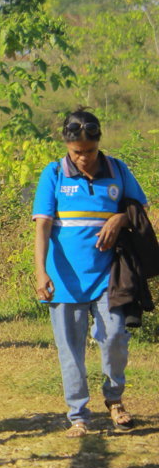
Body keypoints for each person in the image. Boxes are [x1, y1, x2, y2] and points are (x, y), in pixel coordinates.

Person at [32, 110, 145, 437]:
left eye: (89, 151)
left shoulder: (118, 170)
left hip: (108, 278)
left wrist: (120, 218)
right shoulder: (53, 174)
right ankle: (78, 415)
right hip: (64, 280)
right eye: (76, 152)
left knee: (114, 338)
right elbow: (42, 226)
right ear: (67, 146)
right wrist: (40, 272)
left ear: (98, 144)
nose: (82, 158)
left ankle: (115, 398)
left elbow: (140, 208)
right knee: (70, 348)